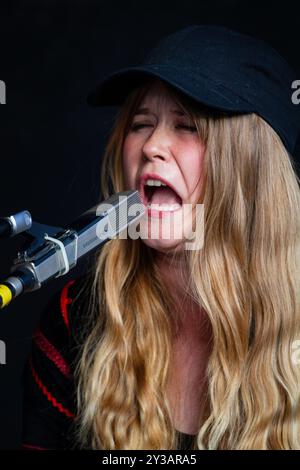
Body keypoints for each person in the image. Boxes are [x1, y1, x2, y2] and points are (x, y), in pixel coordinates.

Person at [21, 25, 300, 450]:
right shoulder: (73, 321)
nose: (153, 145)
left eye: (187, 126)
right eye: (141, 124)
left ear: (252, 169)